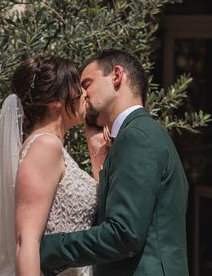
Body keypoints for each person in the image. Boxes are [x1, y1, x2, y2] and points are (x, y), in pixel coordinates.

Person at [39, 49, 190, 276]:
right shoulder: (140, 134)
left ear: (117, 75)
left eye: (87, 83)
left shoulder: (137, 136)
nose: (82, 94)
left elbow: (124, 234)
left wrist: (48, 248)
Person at [0, 54, 108, 276]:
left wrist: (96, 151)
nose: (84, 94)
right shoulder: (45, 146)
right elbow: (26, 241)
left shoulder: (51, 147)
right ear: (56, 101)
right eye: (77, 87)